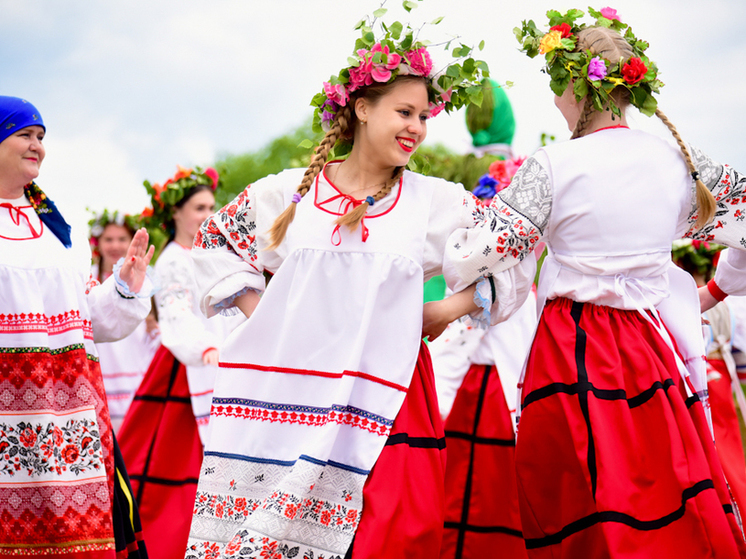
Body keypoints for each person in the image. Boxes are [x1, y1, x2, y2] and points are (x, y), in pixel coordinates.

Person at [182, 13, 530, 559]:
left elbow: (513, 253)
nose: (416, 127)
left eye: (423, 116)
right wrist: (267, 312)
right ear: (362, 109)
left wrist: (446, 310)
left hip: (388, 399)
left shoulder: (433, 202)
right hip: (294, 398)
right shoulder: (289, 197)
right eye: (404, 112)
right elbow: (214, 243)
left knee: (397, 535)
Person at [430, 8, 746, 556]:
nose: (554, 100)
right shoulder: (677, 161)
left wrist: (443, 249)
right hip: (652, 347)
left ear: (574, 85)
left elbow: (478, 255)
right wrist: (716, 289)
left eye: (556, 87)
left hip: (573, 346)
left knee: (583, 497)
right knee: (660, 488)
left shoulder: (554, 164)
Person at [0, 96, 153, 557]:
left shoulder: (55, 230)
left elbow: (92, 318)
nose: (38, 146)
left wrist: (124, 285)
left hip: (71, 416)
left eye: (42, 137)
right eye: (25, 134)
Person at [118, 166, 245, 559]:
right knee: (176, 463)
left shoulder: (214, 252)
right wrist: (203, 347)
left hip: (222, 359)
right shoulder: (174, 258)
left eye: (211, 206)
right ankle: (172, 541)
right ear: (175, 213)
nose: (208, 214)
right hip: (185, 363)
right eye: (198, 207)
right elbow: (175, 311)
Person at [673, 239, 746, 515]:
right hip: (719, 395)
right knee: (727, 465)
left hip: (698, 395)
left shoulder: (663, 302)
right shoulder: (731, 308)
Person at [90, 210, 160, 432]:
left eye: (122, 239)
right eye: (108, 239)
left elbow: (154, 328)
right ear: (97, 243)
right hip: (100, 372)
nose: (115, 245)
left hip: (133, 369)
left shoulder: (143, 279)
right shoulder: (88, 278)